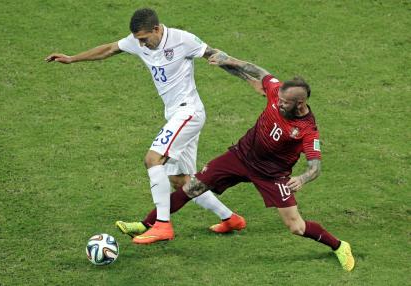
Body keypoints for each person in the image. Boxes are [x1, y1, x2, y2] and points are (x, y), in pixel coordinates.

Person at [130, 52, 355, 271]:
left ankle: (339, 246)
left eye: (285, 103)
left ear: (300, 103)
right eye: (279, 98)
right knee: (192, 187)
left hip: (272, 175)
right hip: (240, 156)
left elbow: (315, 166)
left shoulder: (307, 130)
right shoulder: (278, 91)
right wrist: (228, 61)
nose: (278, 103)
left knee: (296, 227)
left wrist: (303, 178)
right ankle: (147, 224)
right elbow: (259, 72)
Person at [45, 8, 246, 244]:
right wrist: (72, 58)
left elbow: (217, 55)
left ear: (157, 29)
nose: (141, 44)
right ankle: (230, 218)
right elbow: (110, 48)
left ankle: (162, 226)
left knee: (153, 159)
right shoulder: (137, 41)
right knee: (181, 180)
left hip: (188, 111)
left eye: (144, 38)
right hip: (175, 114)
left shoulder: (183, 40)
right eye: (137, 39)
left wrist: (254, 78)